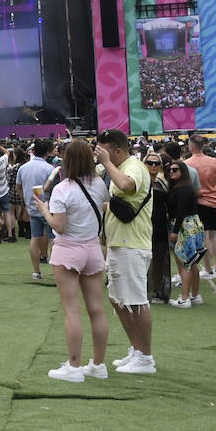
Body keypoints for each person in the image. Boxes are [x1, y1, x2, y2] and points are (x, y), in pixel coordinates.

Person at [35, 139, 110, 382]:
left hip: (68, 250)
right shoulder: (99, 183)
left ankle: (74, 366)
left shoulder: (62, 189)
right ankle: (98, 364)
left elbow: (59, 225)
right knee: (97, 310)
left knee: (72, 310)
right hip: (93, 248)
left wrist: (45, 210)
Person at [95, 129, 155, 375]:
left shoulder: (135, 166)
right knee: (119, 300)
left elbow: (127, 185)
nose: (100, 155)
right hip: (120, 243)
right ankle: (136, 349)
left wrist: (107, 164)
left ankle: (146, 357)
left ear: (117, 150)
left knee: (136, 301)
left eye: (104, 151)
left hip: (132, 244)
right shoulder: (123, 165)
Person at [166, 160, 204, 309]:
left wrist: (175, 231)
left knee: (185, 263)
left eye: (175, 170)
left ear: (183, 172)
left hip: (184, 227)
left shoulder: (182, 189)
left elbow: (181, 211)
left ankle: (185, 297)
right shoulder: (185, 188)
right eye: (170, 170)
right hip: (193, 225)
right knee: (192, 262)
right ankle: (195, 295)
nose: (172, 172)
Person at [187, 134, 216, 280]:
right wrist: (212, 189)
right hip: (215, 200)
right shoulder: (214, 161)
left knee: (203, 236)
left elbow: (188, 187)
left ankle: (208, 269)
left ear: (191, 146)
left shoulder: (188, 163)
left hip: (200, 202)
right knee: (214, 234)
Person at [19, 140, 56, 281]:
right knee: (53, 239)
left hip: (32, 207)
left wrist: (26, 201)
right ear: (47, 152)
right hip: (48, 207)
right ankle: (55, 271)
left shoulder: (24, 168)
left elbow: (18, 187)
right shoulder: (49, 169)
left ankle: (36, 271)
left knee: (35, 237)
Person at [144, 151, 173, 304]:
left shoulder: (162, 182)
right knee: (144, 258)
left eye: (156, 163)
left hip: (160, 225)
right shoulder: (140, 181)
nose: (153, 166)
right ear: (145, 164)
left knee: (160, 258)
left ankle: (158, 290)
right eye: (150, 163)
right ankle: (145, 290)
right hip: (143, 225)